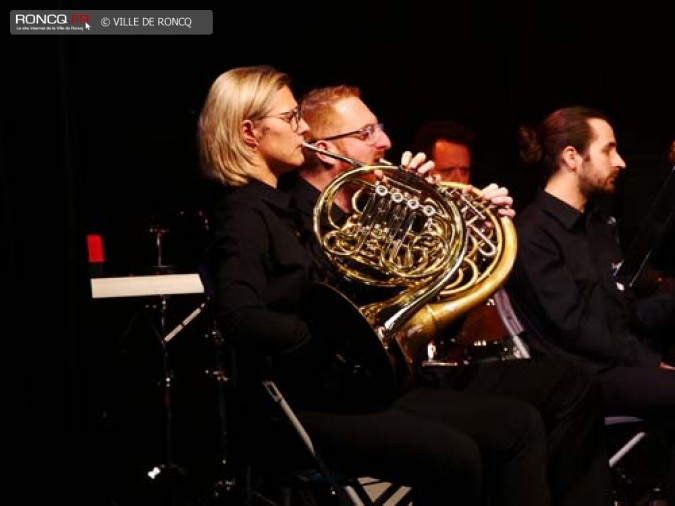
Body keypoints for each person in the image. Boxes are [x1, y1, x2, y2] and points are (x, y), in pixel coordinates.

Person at [198, 64, 568, 506]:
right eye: (291, 118)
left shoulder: (282, 209)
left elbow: (359, 287)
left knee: (518, 425)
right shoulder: (242, 214)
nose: (302, 129)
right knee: (456, 454)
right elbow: (239, 315)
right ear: (249, 132)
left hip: (344, 391)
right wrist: (325, 339)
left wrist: (428, 215)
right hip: (297, 408)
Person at [285, 84, 612, 506]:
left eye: (379, 128)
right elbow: (346, 316)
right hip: (366, 389)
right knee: (516, 424)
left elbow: (441, 312)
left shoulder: (372, 204)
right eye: (366, 133)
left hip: (414, 372)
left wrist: (464, 230)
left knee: (575, 382)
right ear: (328, 151)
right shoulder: (300, 218)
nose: (384, 141)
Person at [505, 105, 675, 503]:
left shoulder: (598, 226)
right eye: (609, 150)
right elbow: (575, 328)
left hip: (617, 362)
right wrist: (649, 362)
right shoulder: (532, 234)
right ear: (571, 157)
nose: (621, 161)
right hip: (583, 377)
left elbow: (623, 312)